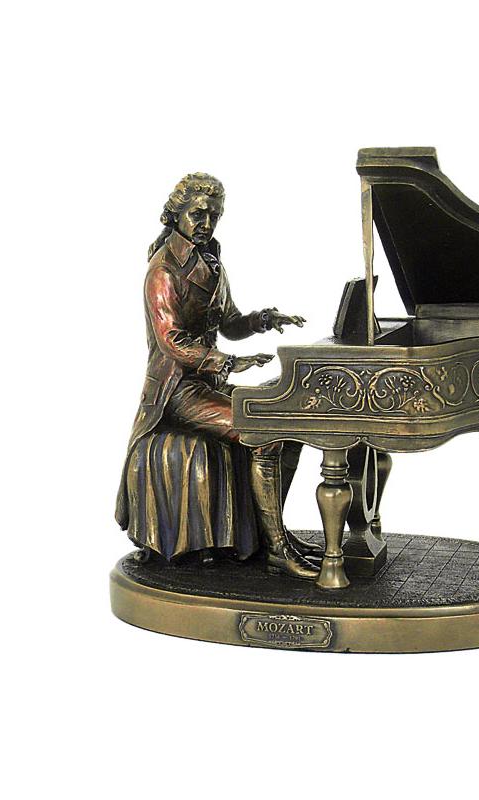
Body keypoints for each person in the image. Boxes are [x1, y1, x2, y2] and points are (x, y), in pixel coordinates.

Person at [115, 173, 319, 579]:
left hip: (207, 383)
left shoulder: (210, 262)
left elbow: (229, 323)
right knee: (263, 434)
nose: (206, 223)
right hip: (177, 391)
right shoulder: (163, 270)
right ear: (177, 215)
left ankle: (272, 534)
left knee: (288, 426)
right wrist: (226, 363)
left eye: (214, 216)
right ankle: (277, 550)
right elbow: (172, 342)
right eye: (198, 214)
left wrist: (262, 320)